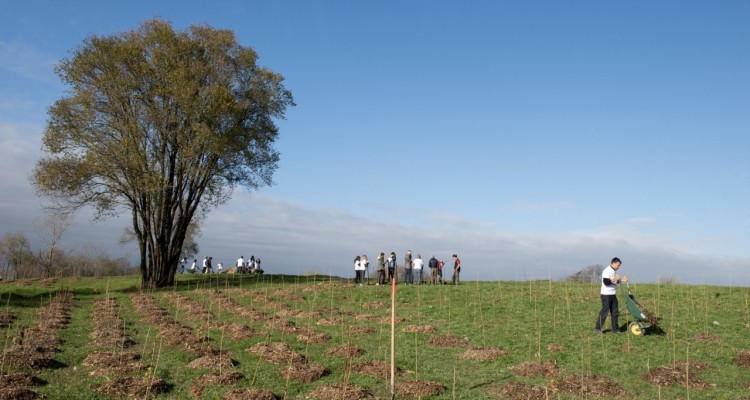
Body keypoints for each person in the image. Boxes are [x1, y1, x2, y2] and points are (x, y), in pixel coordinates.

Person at [595, 257, 628, 334]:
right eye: (618, 265)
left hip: (613, 295)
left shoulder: (613, 271)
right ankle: (597, 328)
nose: (619, 267)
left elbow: (614, 282)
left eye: (619, 265)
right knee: (605, 312)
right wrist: (615, 279)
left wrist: (622, 280)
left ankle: (615, 329)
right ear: (613, 263)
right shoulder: (607, 271)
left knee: (615, 312)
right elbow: (606, 282)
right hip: (606, 295)